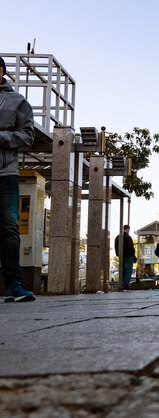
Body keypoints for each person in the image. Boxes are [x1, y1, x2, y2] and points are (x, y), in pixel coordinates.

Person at [0, 57, 36, 302]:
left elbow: (28, 136)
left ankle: (14, 284)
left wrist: (1, 137)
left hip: (5, 174)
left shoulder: (17, 101)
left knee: (9, 229)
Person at [114, 225, 136, 290]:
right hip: (128, 256)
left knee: (123, 271)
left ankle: (122, 284)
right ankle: (126, 285)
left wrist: (118, 254)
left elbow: (116, 247)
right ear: (128, 229)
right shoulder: (128, 237)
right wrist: (133, 255)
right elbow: (130, 247)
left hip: (121, 256)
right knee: (128, 271)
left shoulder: (117, 237)